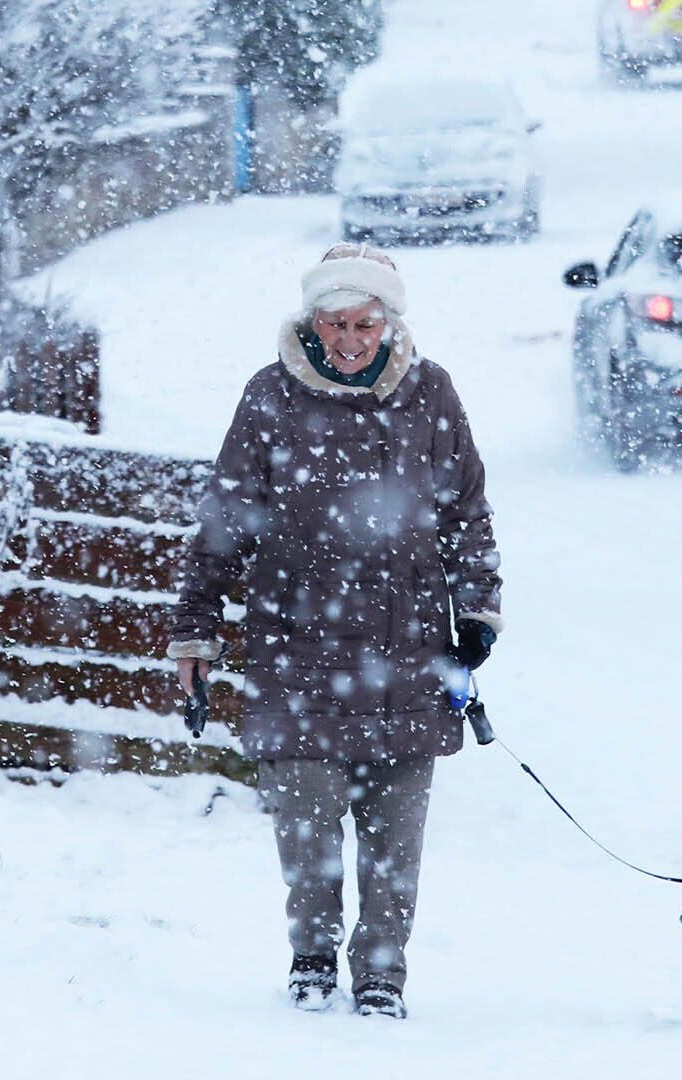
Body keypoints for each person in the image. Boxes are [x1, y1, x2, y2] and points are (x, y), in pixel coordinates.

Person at [167, 244, 502, 1019]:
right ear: (310, 321)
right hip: (297, 643)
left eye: (364, 322)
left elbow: (466, 515)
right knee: (308, 820)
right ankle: (312, 958)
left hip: (408, 644)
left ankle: (383, 973)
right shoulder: (271, 397)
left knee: (395, 833)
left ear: (389, 321)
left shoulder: (431, 394)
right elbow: (225, 525)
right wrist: (196, 632)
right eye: (334, 322)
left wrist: (476, 616)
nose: (349, 337)